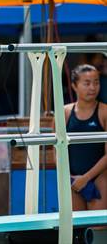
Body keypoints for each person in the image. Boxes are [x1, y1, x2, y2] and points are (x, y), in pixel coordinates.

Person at [63, 64, 107, 211]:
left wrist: (86, 178)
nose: (93, 88)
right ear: (74, 85)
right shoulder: (65, 113)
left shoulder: (104, 112)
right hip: (72, 178)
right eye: (87, 83)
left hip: (99, 176)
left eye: (96, 82)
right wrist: (68, 175)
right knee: (75, 228)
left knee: (97, 229)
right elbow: (58, 150)